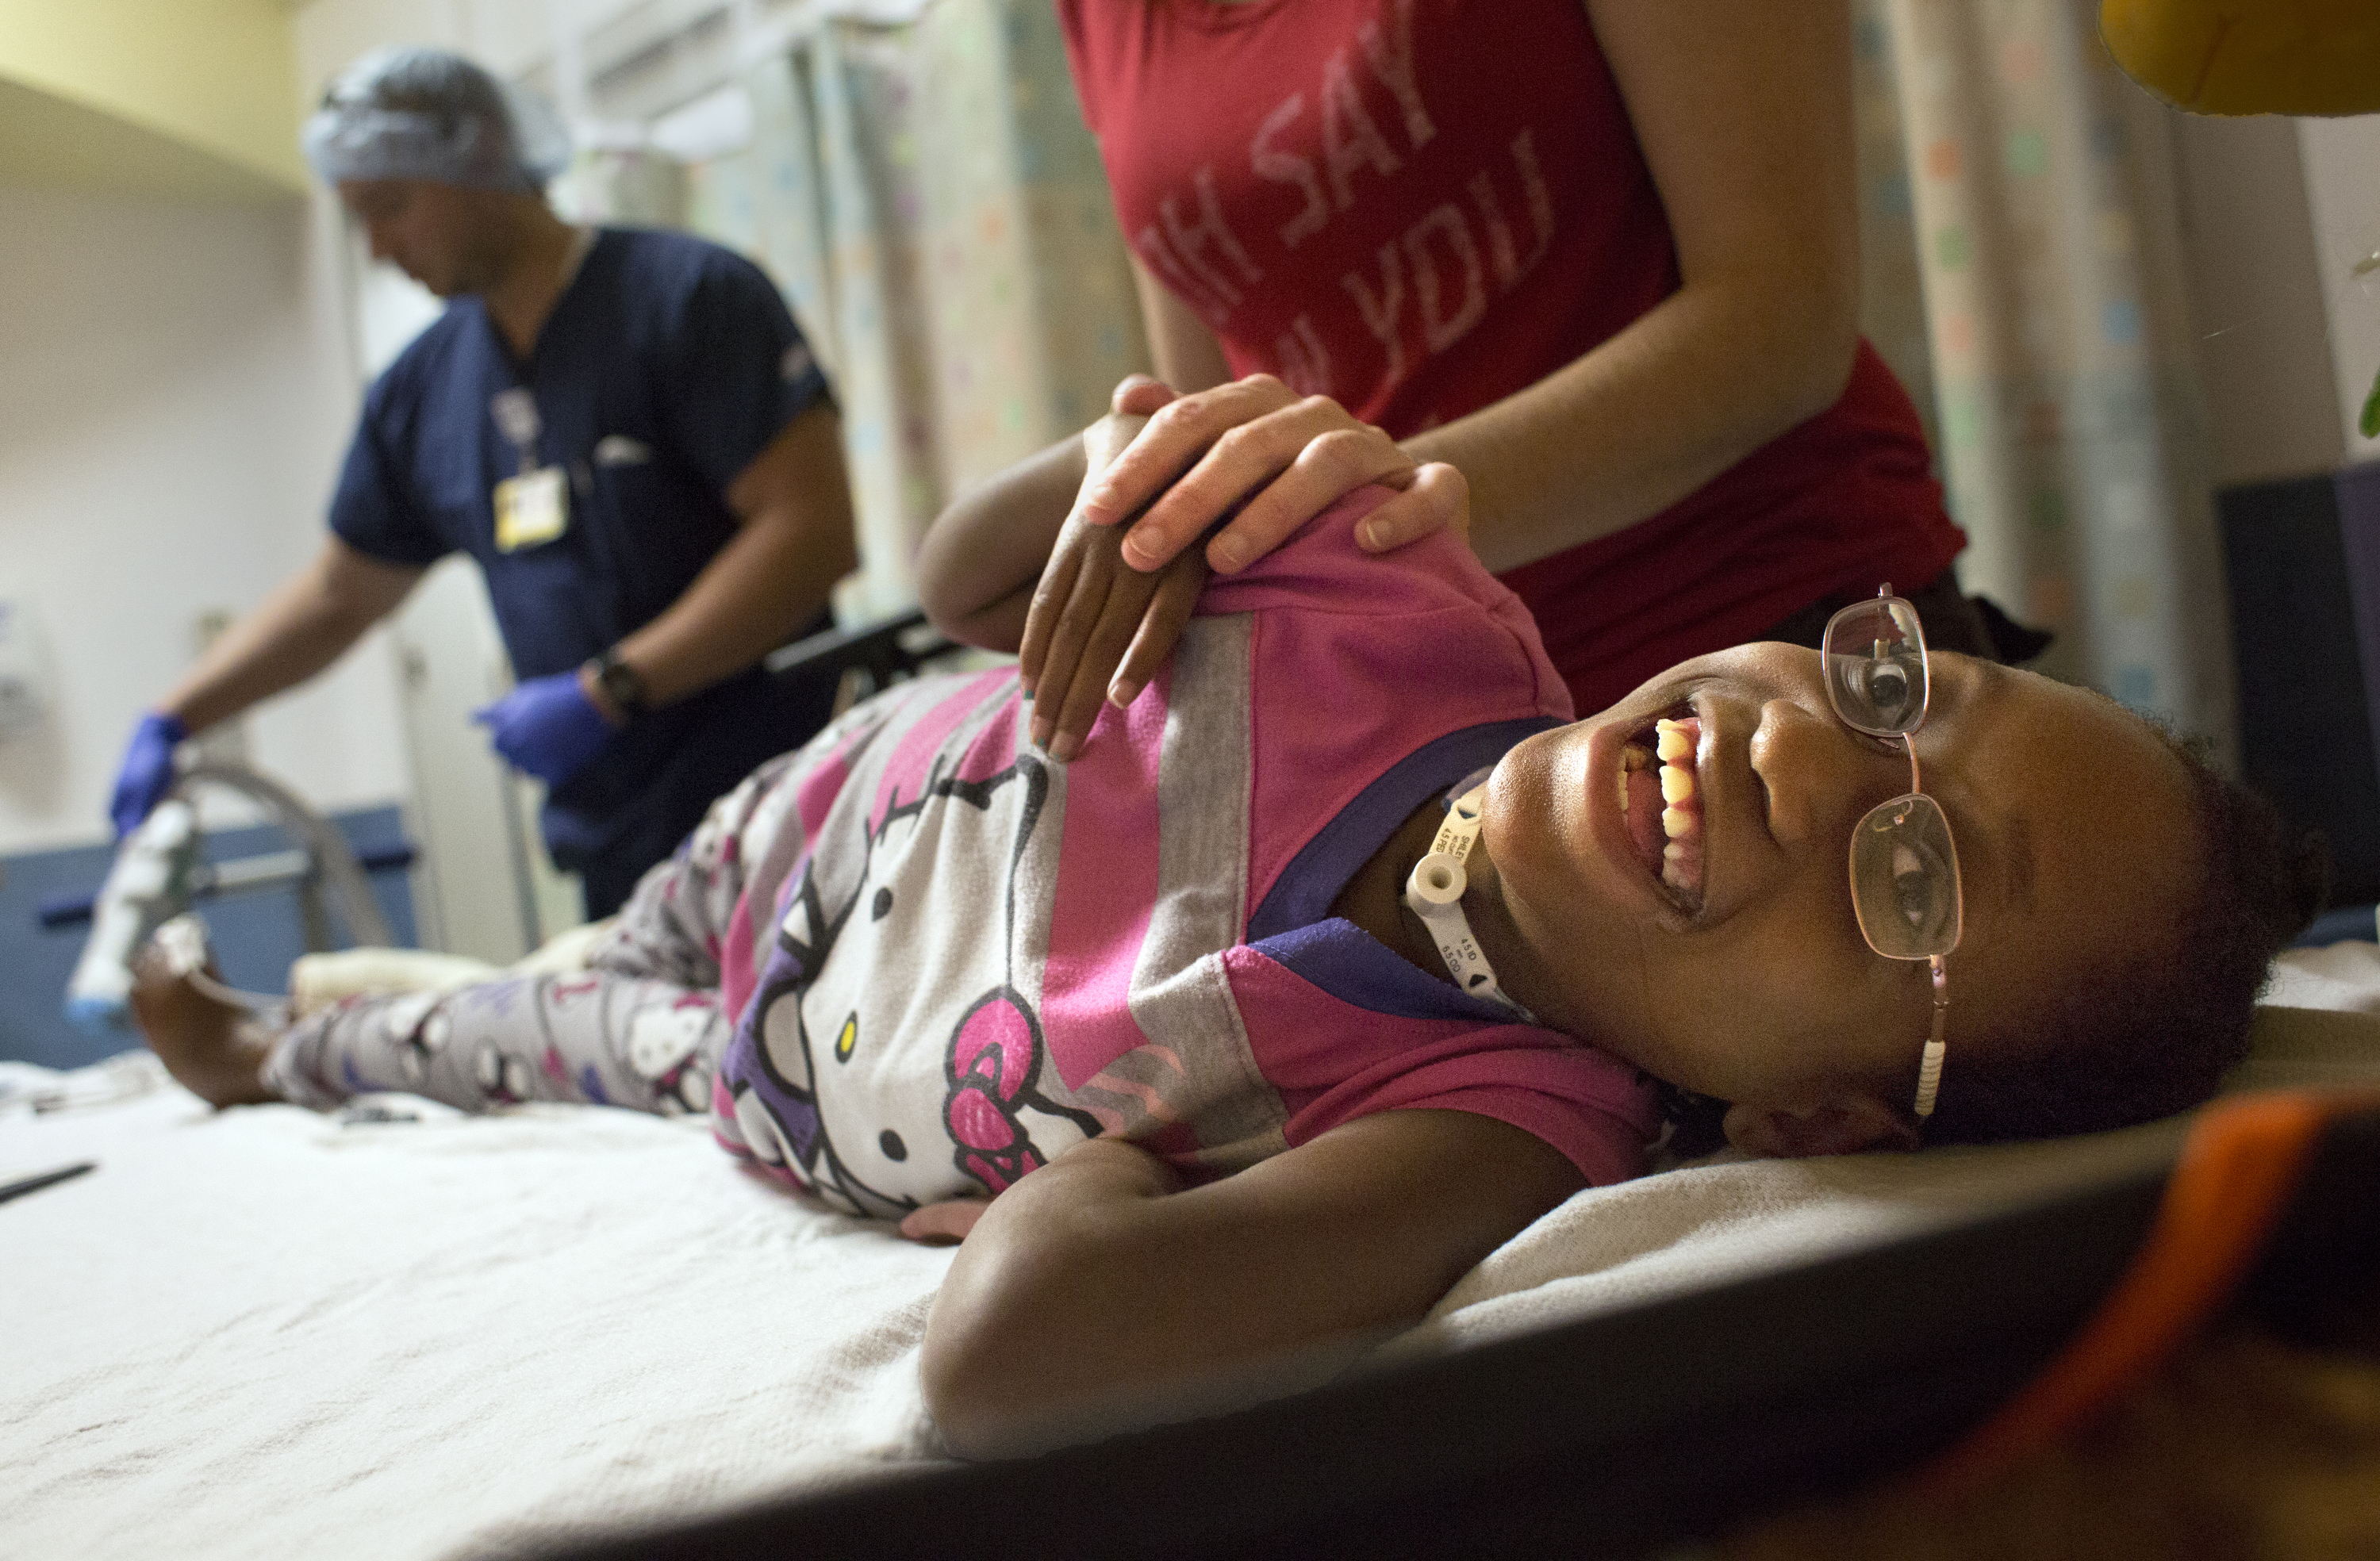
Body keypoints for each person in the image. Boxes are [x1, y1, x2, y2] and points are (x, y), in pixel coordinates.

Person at [129, 409, 2317, 1461]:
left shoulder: (1492, 1132)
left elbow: (1008, 1364)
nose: (1820, 772)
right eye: (1893, 691)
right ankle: (344, 1019)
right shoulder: (1402, 588)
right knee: (586, 944)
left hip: (761, 1077)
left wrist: (1086, 1153)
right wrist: (1161, 462)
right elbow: (971, 570)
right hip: (797, 804)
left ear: (1823, 1107)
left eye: (1916, 882)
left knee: (525, 1033)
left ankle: (281, 1053)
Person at [991, 0, 2019, 762]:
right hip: (1424, 748)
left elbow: (1779, 322)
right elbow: (1215, 401)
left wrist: (1350, 516)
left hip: (1768, 659)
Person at [105, 48, 858, 917]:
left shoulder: (688, 299)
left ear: (484, 154)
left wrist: (611, 688)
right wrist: (177, 714)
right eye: (360, 222)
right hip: (617, 860)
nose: (381, 249)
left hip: (787, 821)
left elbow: (811, 533)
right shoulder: (422, 393)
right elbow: (340, 595)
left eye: (392, 207)